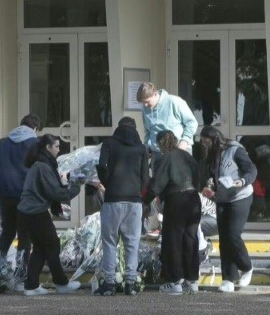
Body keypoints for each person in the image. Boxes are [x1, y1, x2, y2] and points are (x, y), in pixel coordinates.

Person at [17, 134, 84, 296]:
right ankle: (61, 283)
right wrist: (75, 186)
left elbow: (51, 188)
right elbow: (56, 192)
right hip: (35, 212)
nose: (59, 150)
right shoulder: (43, 166)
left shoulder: (41, 164)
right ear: (47, 148)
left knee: (41, 247)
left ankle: (31, 285)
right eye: (57, 146)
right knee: (52, 244)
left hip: (28, 211)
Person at [94, 116, 149, 296]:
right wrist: (138, 190)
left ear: (118, 128)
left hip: (113, 199)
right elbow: (145, 177)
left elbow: (101, 166)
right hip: (134, 201)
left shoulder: (109, 144)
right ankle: (130, 284)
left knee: (110, 242)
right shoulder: (141, 148)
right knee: (132, 243)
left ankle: (109, 284)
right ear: (134, 128)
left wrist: (108, 183)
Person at [199, 125, 257, 293]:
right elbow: (212, 175)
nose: (204, 145)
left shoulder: (234, 150)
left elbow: (251, 169)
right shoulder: (210, 155)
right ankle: (228, 279)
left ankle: (246, 266)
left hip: (241, 197)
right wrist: (210, 184)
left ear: (214, 139)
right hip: (222, 199)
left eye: (206, 142)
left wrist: (242, 181)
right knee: (224, 238)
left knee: (233, 234)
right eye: (202, 142)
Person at [143, 130, 202, 295]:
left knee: (173, 240)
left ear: (161, 143)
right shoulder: (188, 157)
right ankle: (192, 281)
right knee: (191, 239)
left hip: (176, 200)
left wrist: (146, 201)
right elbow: (198, 178)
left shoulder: (166, 158)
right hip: (193, 199)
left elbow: (157, 184)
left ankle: (175, 281)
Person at [0, 114, 41, 280]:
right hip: (26, 196)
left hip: (5, 196)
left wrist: (1, 186)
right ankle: (21, 277)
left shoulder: (3, 142)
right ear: (35, 128)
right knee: (25, 236)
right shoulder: (35, 143)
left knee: (7, 232)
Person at [136, 82, 198, 162]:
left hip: (179, 150)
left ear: (155, 94)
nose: (145, 105)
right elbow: (148, 130)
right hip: (157, 153)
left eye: (147, 101)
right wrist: (147, 146)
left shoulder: (175, 102)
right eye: (143, 103)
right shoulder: (145, 109)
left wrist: (184, 141)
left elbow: (191, 122)